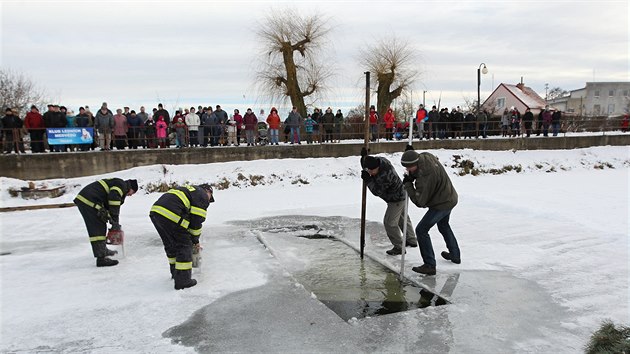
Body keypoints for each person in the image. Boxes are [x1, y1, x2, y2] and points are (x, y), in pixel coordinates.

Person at [400, 148, 460, 276]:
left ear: (415, 164)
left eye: (408, 168)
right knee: (443, 225)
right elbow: (419, 170)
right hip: (450, 197)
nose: (407, 171)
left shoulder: (424, 177)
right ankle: (455, 255)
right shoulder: (426, 156)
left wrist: (409, 185)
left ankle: (429, 265)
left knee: (421, 230)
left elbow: (420, 201)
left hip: (441, 204)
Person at [150, 183, 215, 290]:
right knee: (184, 245)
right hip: (170, 213)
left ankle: (176, 274)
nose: (209, 200)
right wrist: (195, 241)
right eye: (210, 197)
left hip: (156, 212)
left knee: (171, 245)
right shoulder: (201, 194)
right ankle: (183, 281)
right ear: (208, 191)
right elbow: (196, 221)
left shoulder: (188, 190)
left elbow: (187, 217)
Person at [361, 148, 418, 255]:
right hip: (403, 192)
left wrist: (368, 180)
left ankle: (399, 247)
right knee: (402, 217)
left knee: (389, 222)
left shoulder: (385, 175)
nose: (371, 173)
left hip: (396, 198)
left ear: (377, 168)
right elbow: (367, 165)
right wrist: (363, 158)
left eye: (372, 171)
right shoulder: (380, 160)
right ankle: (411, 239)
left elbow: (377, 191)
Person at [74, 178, 138, 267]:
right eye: (132, 192)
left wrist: (110, 217)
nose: (130, 195)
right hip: (89, 200)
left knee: (100, 224)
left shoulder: (119, 184)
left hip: (90, 200)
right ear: (131, 188)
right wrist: (115, 221)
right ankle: (101, 259)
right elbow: (113, 199)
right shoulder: (122, 186)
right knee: (97, 227)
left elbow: (109, 202)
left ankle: (103, 250)